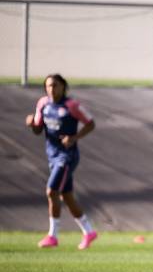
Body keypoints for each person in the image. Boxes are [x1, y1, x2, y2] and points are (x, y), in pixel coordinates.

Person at [25, 74, 98, 249]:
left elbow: (90, 123)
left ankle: (53, 236)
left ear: (63, 87)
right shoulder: (43, 104)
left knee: (51, 191)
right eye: (49, 86)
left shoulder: (72, 106)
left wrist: (74, 137)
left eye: (55, 85)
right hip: (52, 155)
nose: (52, 89)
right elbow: (38, 129)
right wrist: (32, 124)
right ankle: (89, 232)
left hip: (67, 157)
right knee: (67, 196)